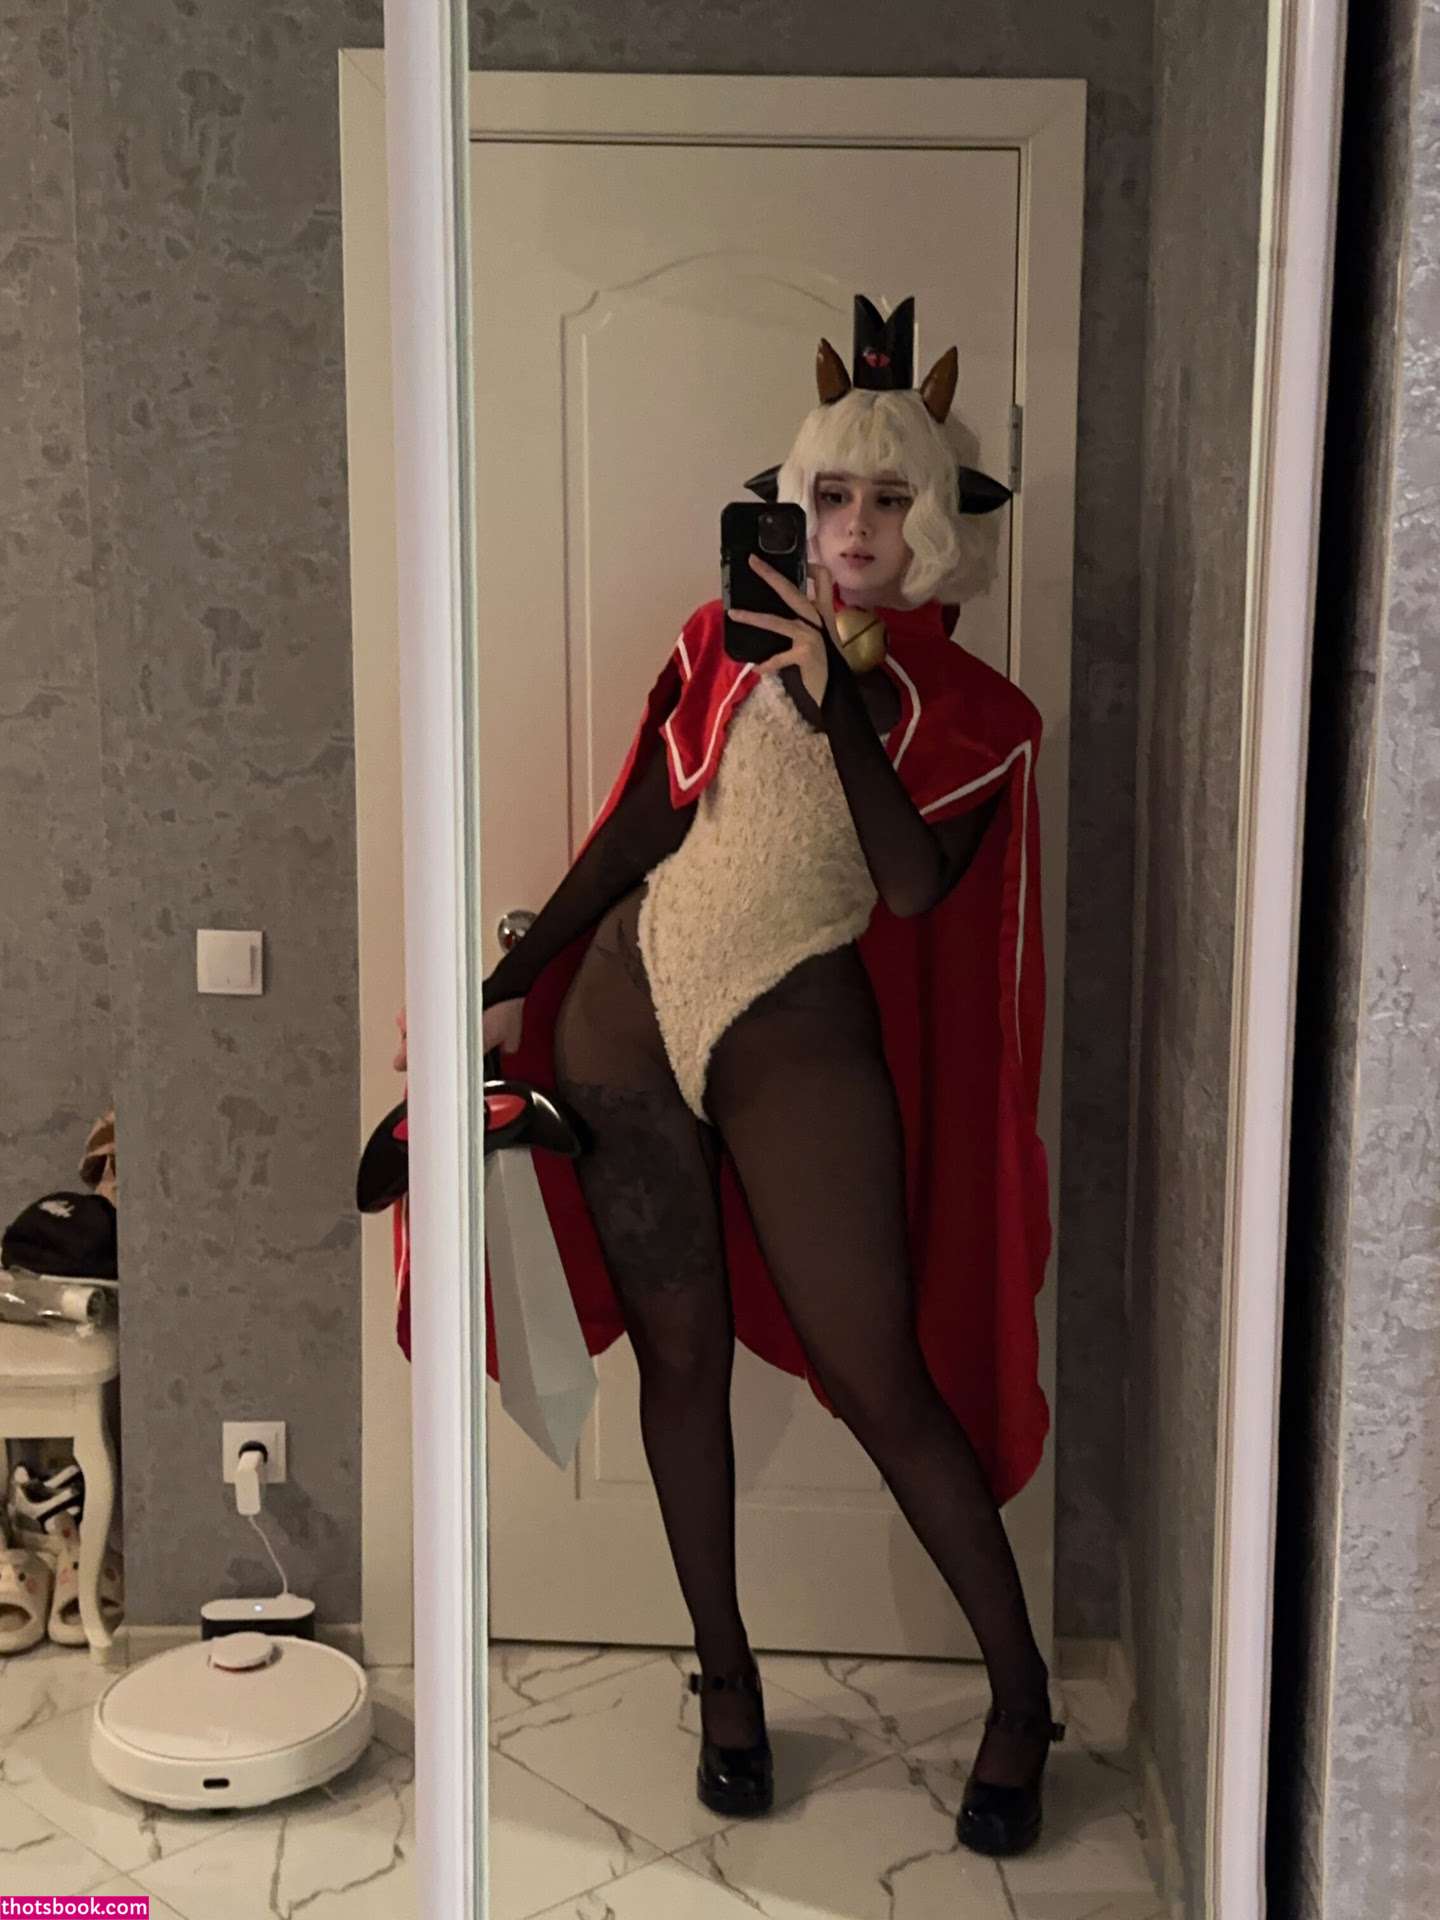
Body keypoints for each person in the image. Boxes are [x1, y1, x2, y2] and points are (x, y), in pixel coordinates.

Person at [478, 296, 1064, 1857]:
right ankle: (725, 1681)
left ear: (937, 520)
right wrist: (514, 977)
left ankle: (1021, 1699)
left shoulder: (980, 715)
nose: (854, 526)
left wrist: (827, 692)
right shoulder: (717, 639)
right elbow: (648, 823)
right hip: (626, 1008)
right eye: (830, 493)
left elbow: (913, 889)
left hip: (796, 1029)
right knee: (678, 1362)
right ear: (794, 501)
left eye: (888, 498)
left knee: (881, 1381)